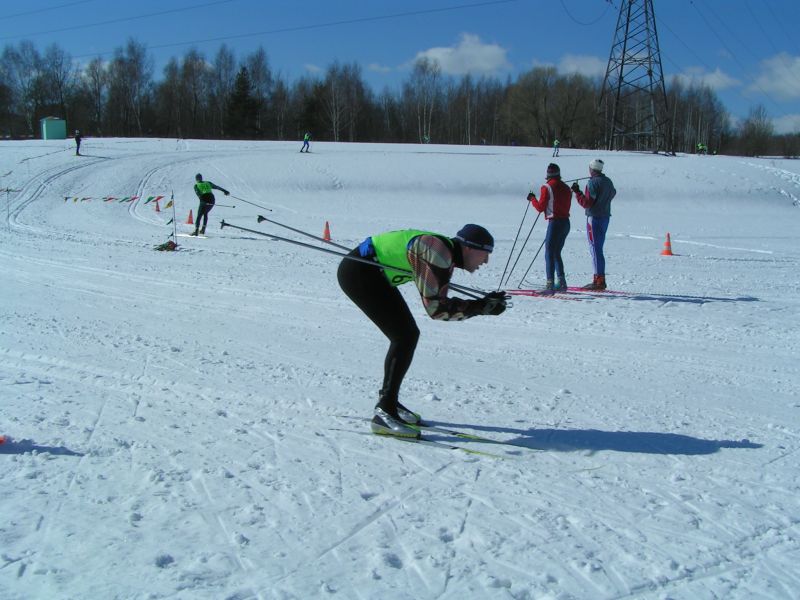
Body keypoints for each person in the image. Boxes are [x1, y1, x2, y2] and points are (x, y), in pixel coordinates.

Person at [337, 224, 506, 439]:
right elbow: (437, 309)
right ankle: (385, 412)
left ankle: (390, 403)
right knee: (404, 336)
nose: (486, 261)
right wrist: (482, 307)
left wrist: (481, 305)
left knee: (406, 335)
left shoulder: (442, 251)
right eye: (486, 254)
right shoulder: (438, 252)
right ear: (469, 248)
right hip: (360, 274)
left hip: (372, 273)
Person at [572, 159, 616, 290]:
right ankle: (599, 278)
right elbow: (613, 192)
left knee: (595, 249)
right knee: (598, 248)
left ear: (591, 169)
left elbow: (587, 203)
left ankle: (599, 280)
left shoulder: (592, 183)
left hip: (594, 218)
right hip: (605, 217)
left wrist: (577, 192)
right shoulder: (608, 181)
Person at [527, 163, 572, 291]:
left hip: (555, 223)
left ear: (547, 174)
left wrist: (532, 199)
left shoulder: (546, 187)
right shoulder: (566, 187)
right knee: (556, 252)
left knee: (549, 253)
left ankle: (550, 283)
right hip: (566, 223)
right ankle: (562, 281)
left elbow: (540, 207)